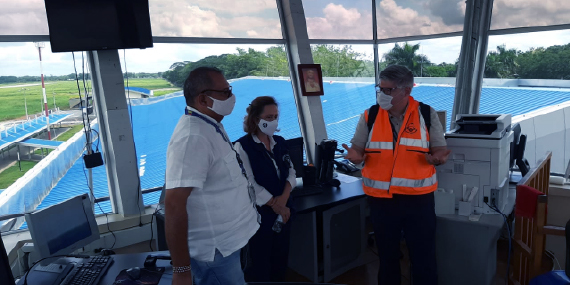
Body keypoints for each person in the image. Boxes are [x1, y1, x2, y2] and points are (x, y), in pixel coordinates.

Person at [342, 65, 451, 285]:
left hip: (418, 200)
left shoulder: (426, 114)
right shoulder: (370, 115)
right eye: (380, 88)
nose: (382, 94)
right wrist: (355, 156)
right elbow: (358, 149)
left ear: (406, 91)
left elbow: (439, 148)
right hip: (382, 200)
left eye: (388, 90)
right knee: (387, 257)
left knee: (423, 258)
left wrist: (438, 158)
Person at [164, 66, 260, 285]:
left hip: (229, 245)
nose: (232, 97)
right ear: (203, 100)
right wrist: (181, 271)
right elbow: (173, 205)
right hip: (215, 254)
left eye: (230, 89)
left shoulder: (210, 124)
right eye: (225, 92)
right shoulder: (192, 137)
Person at [234, 96, 296, 282]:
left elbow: (291, 172)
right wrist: (275, 205)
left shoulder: (280, 142)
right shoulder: (241, 147)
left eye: (275, 116)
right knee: (259, 267)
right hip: (258, 218)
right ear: (255, 119)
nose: (274, 121)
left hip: (284, 213)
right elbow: (249, 183)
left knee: (280, 262)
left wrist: (283, 200)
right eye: (269, 117)